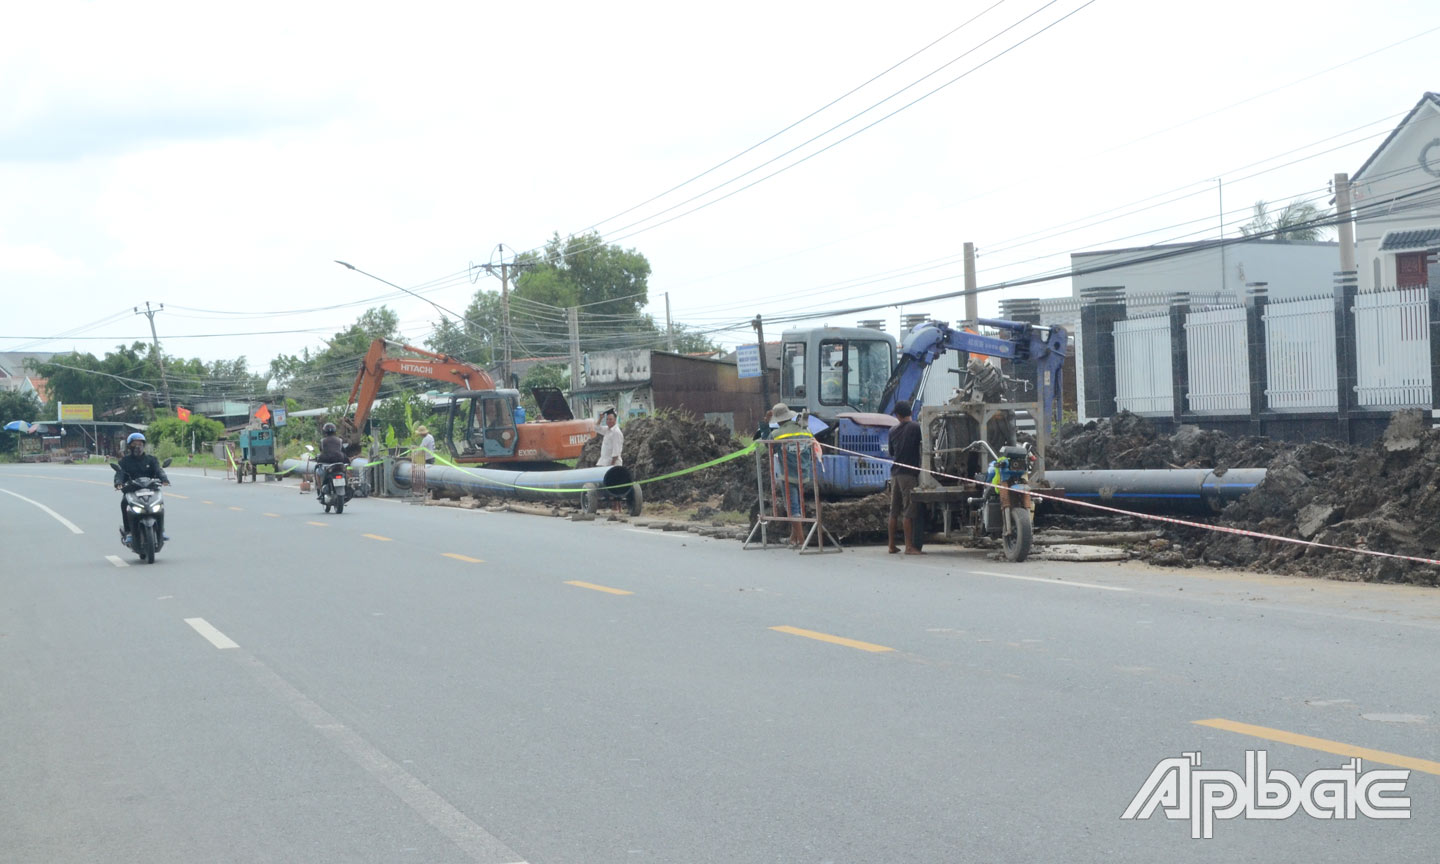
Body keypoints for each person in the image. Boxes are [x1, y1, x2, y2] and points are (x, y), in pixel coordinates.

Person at [769, 402, 816, 546]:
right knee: (798, 504)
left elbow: (767, 447)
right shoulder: (805, 430)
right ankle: (793, 538)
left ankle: (801, 541)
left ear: (778, 419)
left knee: (793, 508)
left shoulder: (777, 434)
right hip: (805, 473)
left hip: (788, 475)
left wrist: (765, 425)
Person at [114, 432, 169, 546]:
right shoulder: (125, 461)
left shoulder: (151, 459)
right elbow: (120, 473)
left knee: (160, 505)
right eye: (135, 444)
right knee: (124, 503)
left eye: (140, 443)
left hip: (150, 489)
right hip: (132, 490)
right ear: (129, 446)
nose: (138, 446)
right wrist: (118, 483)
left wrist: (164, 479)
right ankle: (129, 532)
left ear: (144, 445)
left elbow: (159, 470)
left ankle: (161, 531)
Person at [887, 400, 924, 555]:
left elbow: (890, 452)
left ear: (898, 415)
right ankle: (909, 547)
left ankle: (891, 545)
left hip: (895, 473)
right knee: (909, 510)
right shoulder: (916, 427)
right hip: (908, 475)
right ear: (910, 412)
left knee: (894, 511)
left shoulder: (892, 430)